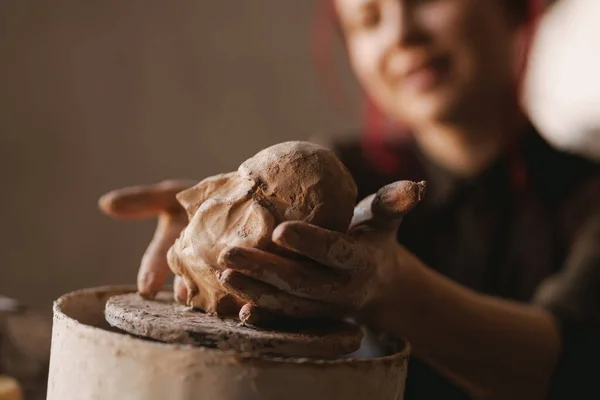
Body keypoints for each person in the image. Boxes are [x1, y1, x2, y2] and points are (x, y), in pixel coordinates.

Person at [99, 0, 600, 398]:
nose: (401, 34)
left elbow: (568, 370)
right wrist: (217, 235)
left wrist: (390, 285)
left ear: (515, 6)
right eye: (367, 18)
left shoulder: (588, 200)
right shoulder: (340, 178)